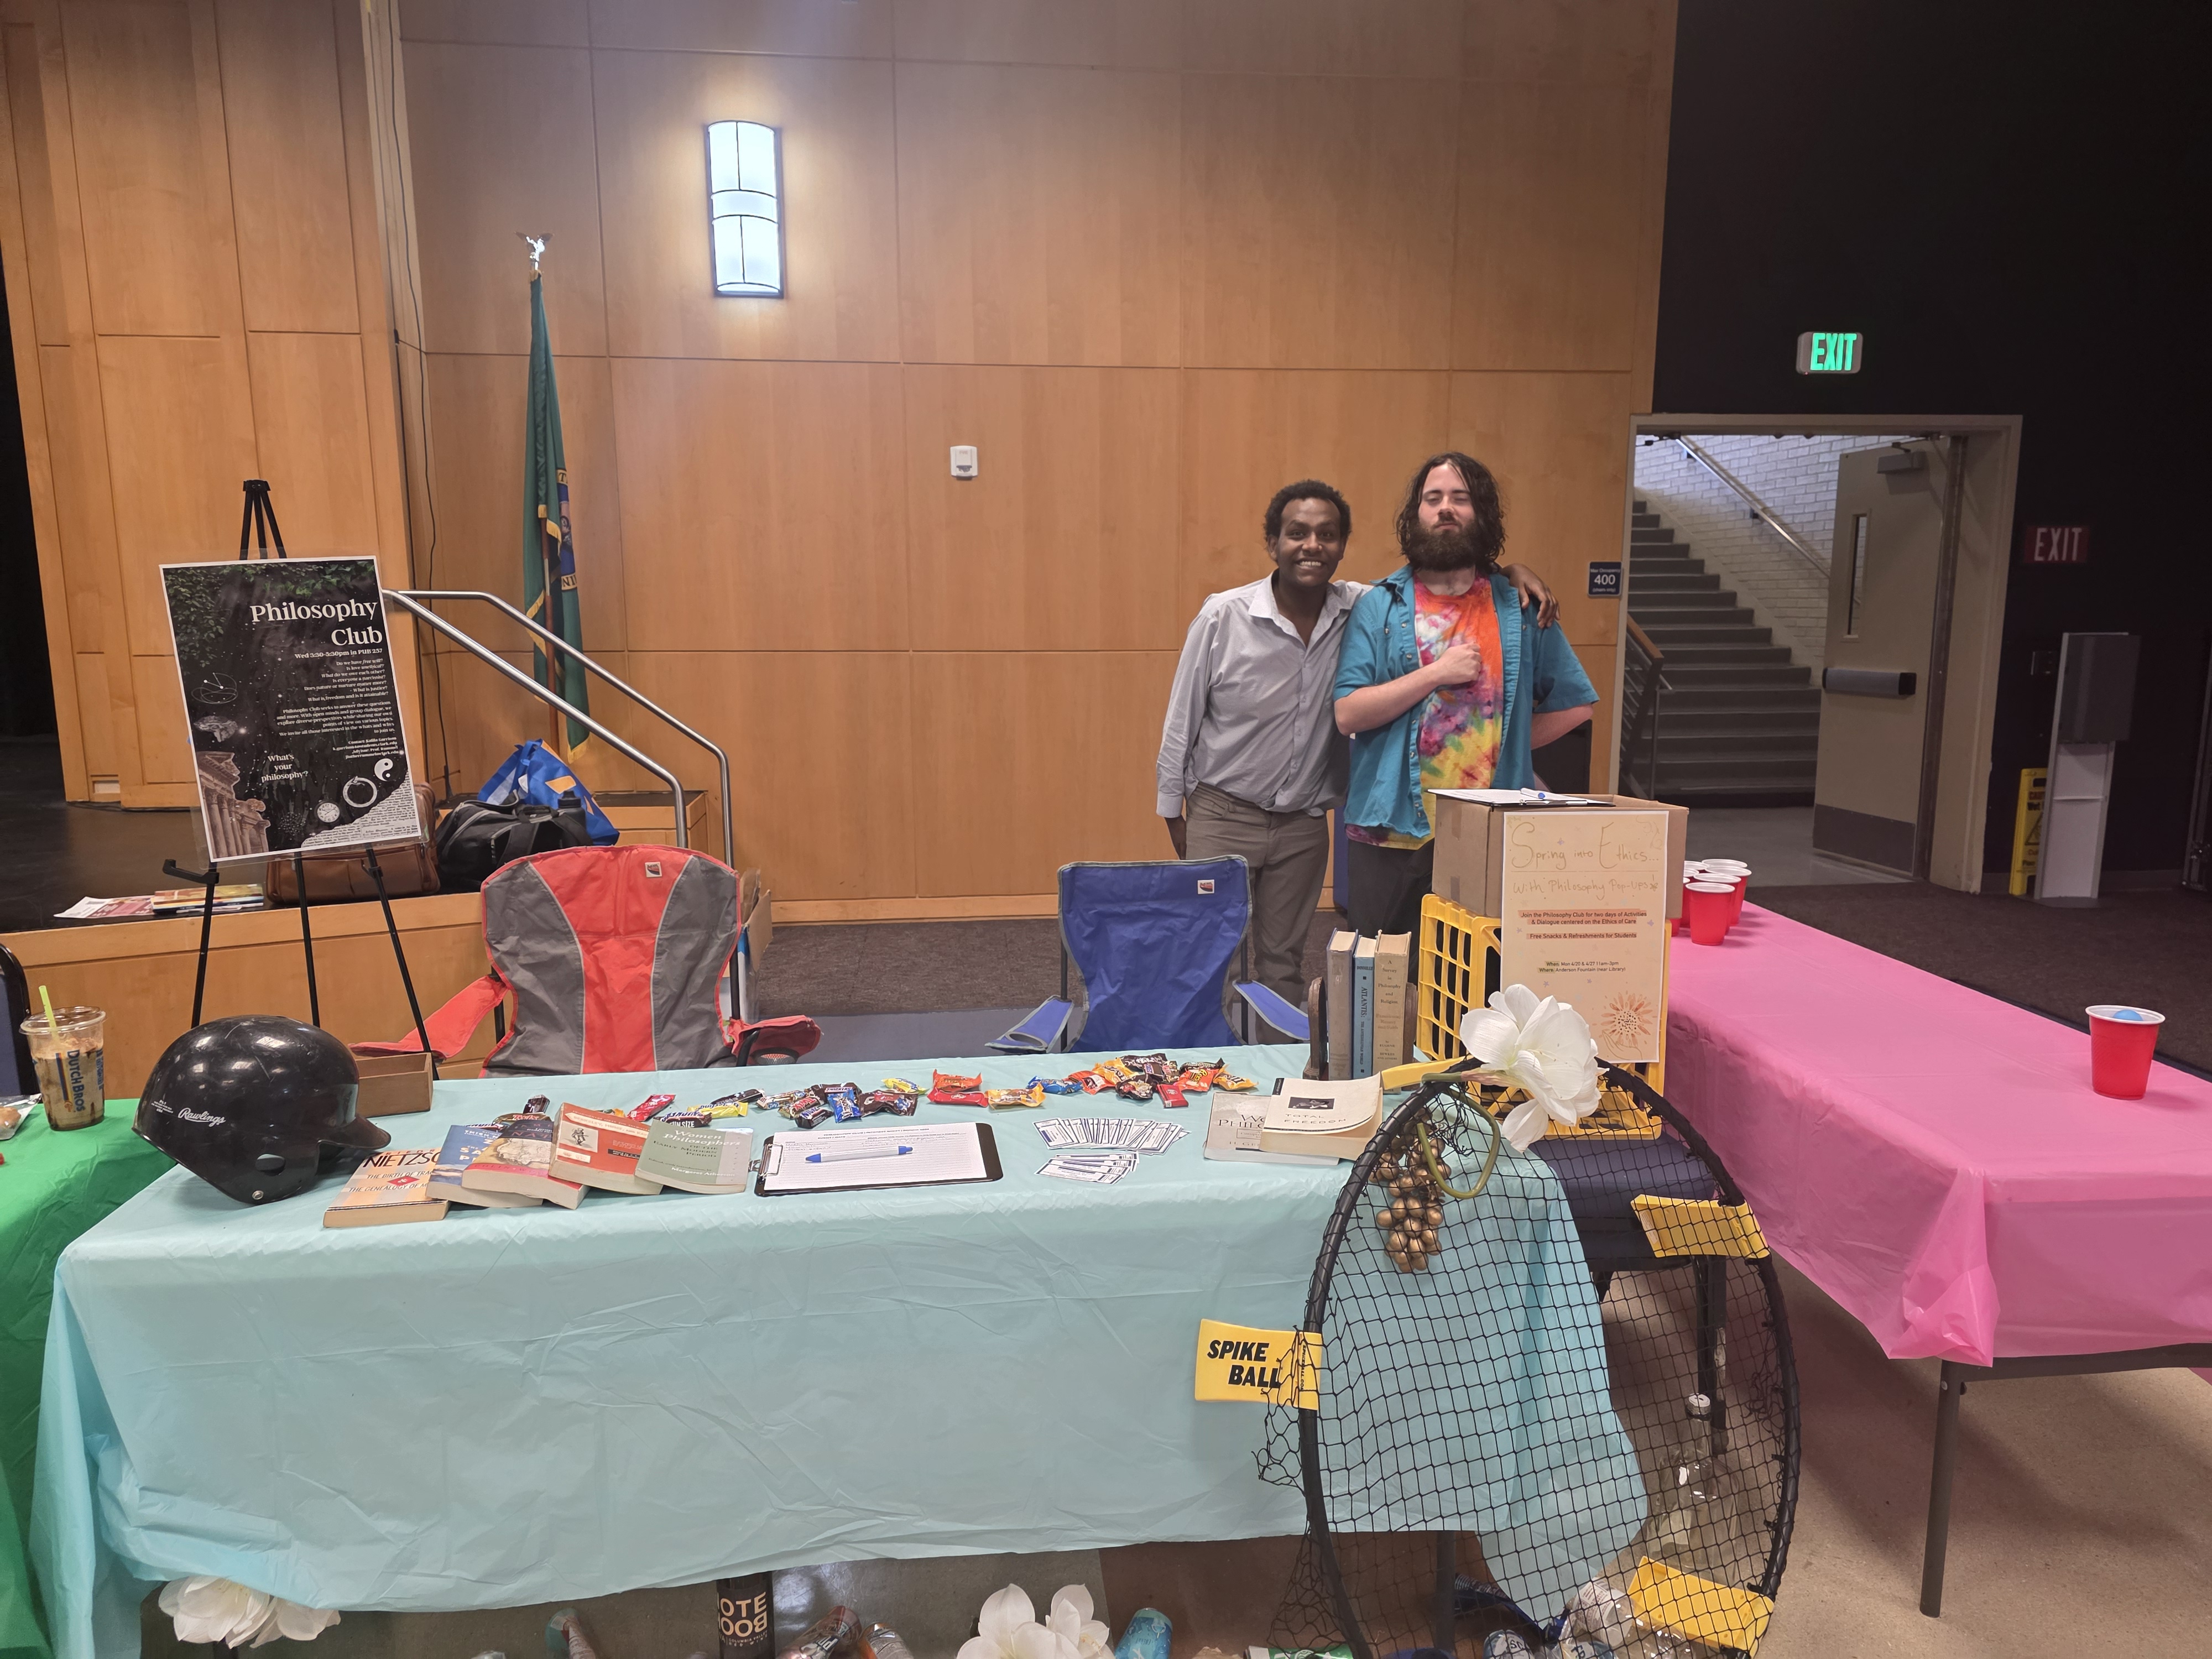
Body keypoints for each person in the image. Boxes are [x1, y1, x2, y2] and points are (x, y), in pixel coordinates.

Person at [1156, 478, 1558, 1009]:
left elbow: (1442, 579)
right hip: (1222, 812)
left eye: (1327, 534)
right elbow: (1181, 718)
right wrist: (1173, 812)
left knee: (1283, 964)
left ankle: (1272, 1056)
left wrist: (1507, 574)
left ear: (1343, 545)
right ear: (1273, 543)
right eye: (1297, 533)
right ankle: (1209, 1059)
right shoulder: (1223, 616)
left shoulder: (1363, 606)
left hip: (1303, 824)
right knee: (1210, 960)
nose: (1312, 545)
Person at [1332, 451, 1598, 939]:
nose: (1445, 509)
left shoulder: (1519, 605)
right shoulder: (1379, 606)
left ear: (1482, 512)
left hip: (1490, 832)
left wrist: (1508, 742)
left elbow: (1576, 706)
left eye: (1461, 498)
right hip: (1390, 830)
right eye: (1433, 499)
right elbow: (1348, 714)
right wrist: (1436, 674)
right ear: (1416, 514)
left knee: (1478, 972)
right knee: (1384, 971)